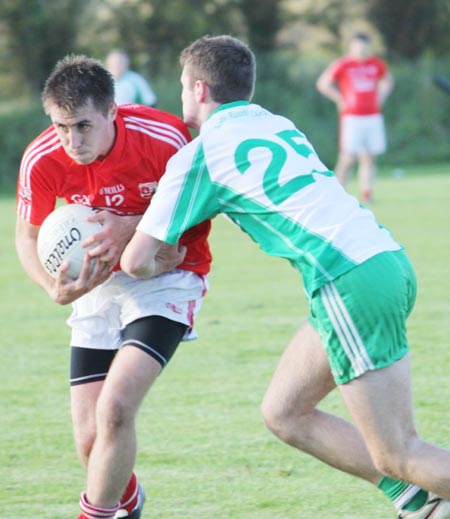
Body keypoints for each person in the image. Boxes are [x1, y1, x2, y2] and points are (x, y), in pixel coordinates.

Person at [120, 35, 450, 519]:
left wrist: (155, 259)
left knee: (397, 452)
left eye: (183, 88)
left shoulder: (201, 154)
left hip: (347, 279)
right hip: (384, 259)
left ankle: (414, 486)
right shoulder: (276, 124)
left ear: (198, 88)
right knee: (285, 412)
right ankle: (419, 503)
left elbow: (135, 261)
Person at [15, 54, 212, 519]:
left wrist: (134, 228)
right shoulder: (42, 158)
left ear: (112, 111)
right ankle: (128, 502)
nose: (72, 140)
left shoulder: (165, 138)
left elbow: (207, 200)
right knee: (90, 442)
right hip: (98, 286)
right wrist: (51, 287)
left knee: (116, 408)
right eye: (61, 127)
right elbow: (26, 234)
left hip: (166, 278)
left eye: (83, 126)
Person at [316, 32, 393, 203]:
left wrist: (381, 97)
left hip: (373, 116)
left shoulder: (376, 64)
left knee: (369, 156)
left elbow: (387, 81)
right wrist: (338, 98)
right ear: (352, 46)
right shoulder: (344, 64)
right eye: (358, 46)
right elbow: (323, 83)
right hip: (352, 117)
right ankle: (337, 192)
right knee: (348, 157)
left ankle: (367, 193)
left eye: (365, 47)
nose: (361, 50)